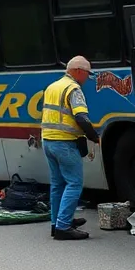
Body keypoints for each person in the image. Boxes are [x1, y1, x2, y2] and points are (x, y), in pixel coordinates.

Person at [40, 55, 100, 240]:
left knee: (58, 184)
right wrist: (94, 137)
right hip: (64, 142)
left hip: (48, 141)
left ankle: (56, 223)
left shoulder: (53, 86)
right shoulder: (73, 89)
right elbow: (81, 117)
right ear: (78, 71)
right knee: (74, 183)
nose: (87, 78)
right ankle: (63, 227)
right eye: (87, 74)